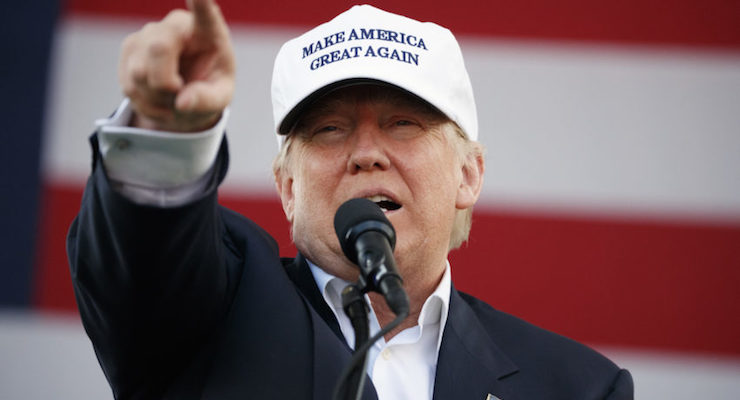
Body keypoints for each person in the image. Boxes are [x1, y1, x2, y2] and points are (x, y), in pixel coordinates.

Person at [67, 0, 634, 399]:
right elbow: (145, 257)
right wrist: (164, 132)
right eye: (330, 130)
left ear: (469, 175)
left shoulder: (577, 387)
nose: (366, 153)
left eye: (404, 123)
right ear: (288, 189)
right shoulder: (206, 314)